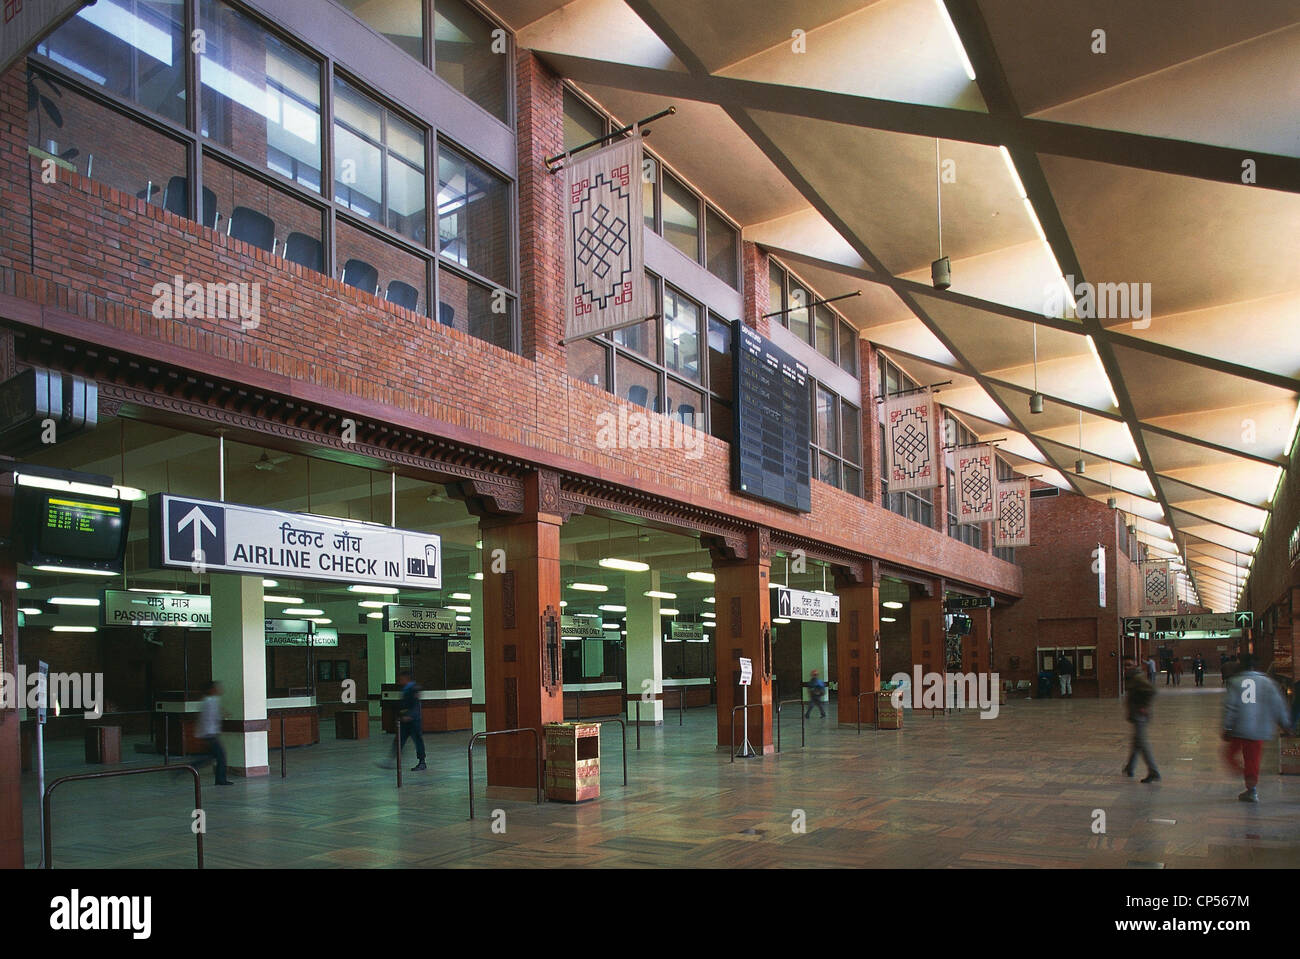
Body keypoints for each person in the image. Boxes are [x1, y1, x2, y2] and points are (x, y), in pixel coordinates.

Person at [1221, 653, 1293, 802]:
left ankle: (1247, 779)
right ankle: (1251, 786)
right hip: (1259, 729)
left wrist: (1227, 727)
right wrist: (1285, 724)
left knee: (1229, 754)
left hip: (1239, 728)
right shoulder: (1268, 683)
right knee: (1252, 759)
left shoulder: (1235, 682)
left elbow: (1230, 707)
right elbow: (1278, 705)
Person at [1122, 657, 1160, 783]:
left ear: (1135, 665)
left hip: (1140, 715)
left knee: (1142, 743)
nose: (1127, 667)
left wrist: (1144, 706)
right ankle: (1130, 767)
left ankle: (1153, 771)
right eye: (1125, 665)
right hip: (1135, 714)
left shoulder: (1138, 677)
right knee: (1136, 743)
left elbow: (1152, 690)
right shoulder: (1132, 677)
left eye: (1129, 665)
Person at [192, 680, 233, 786]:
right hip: (209, 734)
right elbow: (208, 719)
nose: (218, 689)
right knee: (221, 756)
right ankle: (220, 779)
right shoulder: (208, 701)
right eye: (216, 687)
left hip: (210, 733)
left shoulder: (212, 700)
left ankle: (188, 768)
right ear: (211, 690)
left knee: (210, 757)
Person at [398, 670, 427, 771]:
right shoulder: (405, 689)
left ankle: (422, 762)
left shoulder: (414, 688)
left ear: (406, 679)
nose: (400, 681)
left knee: (418, 741)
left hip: (414, 720)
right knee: (399, 740)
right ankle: (394, 760)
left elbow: (415, 704)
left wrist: (410, 715)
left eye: (401, 679)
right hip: (405, 720)